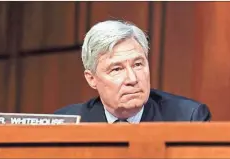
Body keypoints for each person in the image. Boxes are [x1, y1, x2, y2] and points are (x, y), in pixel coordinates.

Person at [54, 20, 211, 123]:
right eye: (117, 69)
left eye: (137, 64)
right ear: (91, 79)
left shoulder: (188, 118)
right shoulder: (66, 122)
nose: (132, 78)